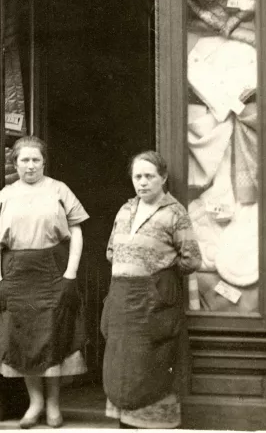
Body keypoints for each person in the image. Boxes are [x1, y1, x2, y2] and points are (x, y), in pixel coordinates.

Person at [0, 135, 89, 429]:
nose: (30, 166)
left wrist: (70, 273)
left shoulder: (59, 190)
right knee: (25, 337)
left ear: (43, 162)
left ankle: (54, 404)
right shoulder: (5, 195)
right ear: (15, 164)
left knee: (53, 335)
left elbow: (77, 231)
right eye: (24, 160)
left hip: (53, 270)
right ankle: (35, 403)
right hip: (16, 274)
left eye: (36, 160)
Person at [101, 150, 201, 430]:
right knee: (123, 365)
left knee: (150, 363)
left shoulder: (174, 213)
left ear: (163, 178)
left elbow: (192, 259)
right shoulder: (125, 210)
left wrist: (159, 274)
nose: (142, 182)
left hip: (152, 304)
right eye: (137, 177)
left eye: (149, 176)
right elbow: (111, 251)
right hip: (122, 302)